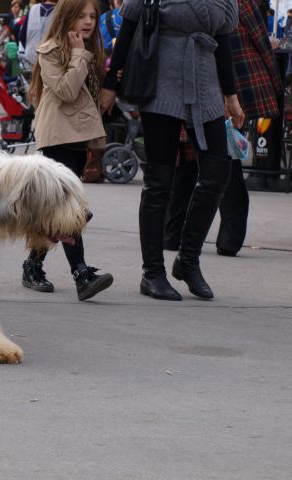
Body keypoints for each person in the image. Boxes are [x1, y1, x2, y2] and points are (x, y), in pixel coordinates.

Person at [101, 0, 243, 301]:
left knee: (218, 171)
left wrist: (230, 94)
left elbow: (223, 40)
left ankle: (188, 261)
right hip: (159, 84)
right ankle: (152, 273)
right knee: (159, 181)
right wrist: (110, 83)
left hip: (205, 85)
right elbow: (127, 27)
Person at [164, 0, 284, 257]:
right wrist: (274, 83)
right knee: (224, 159)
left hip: (191, 79)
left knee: (188, 158)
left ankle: (172, 234)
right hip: (228, 80)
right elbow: (260, 40)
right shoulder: (239, 3)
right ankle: (228, 238)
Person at [22, 0, 114, 301]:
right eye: (81, 16)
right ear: (66, 17)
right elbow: (65, 91)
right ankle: (81, 274)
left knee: (58, 211)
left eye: (92, 16)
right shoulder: (50, 49)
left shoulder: (90, 49)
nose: (88, 22)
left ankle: (33, 265)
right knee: (68, 211)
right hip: (57, 137)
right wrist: (77, 55)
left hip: (78, 137)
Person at [18, 0, 58, 72]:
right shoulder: (60, 11)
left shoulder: (33, 9)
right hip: (50, 61)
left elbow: (21, 36)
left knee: (31, 82)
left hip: (30, 59)